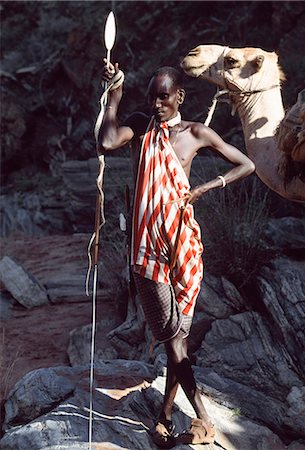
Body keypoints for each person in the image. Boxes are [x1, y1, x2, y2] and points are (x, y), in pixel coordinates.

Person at [98, 60, 255, 448]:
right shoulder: (141, 127)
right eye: (152, 96)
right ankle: (203, 418)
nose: (156, 104)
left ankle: (164, 416)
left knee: (178, 338)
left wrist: (207, 188)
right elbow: (105, 141)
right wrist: (115, 95)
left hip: (184, 246)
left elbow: (246, 164)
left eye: (163, 97)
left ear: (179, 96)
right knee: (173, 339)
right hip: (147, 250)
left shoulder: (195, 133)